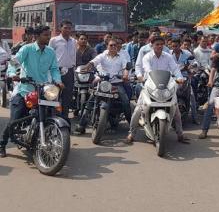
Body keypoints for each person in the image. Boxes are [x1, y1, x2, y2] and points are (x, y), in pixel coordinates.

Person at [0, 26, 63, 157]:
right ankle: (2, 144)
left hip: (44, 90)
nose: (48, 37)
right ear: (37, 36)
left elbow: (55, 69)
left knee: (54, 112)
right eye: (46, 35)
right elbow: (14, 63)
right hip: (25, 89)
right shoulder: (26, 49)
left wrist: (58, 80)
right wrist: (12, 74)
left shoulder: (50, 52)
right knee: (15, 119)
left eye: (49, 35)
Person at [127, 36, 187, 143]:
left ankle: (180, 134)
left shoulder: (168, 56)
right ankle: (132, 133)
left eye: (161, 44)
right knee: (138, 110)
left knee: (176, 110)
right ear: (152, 45)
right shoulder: (147, 57)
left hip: (166, 87)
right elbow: (148, 70)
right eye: (157, 44)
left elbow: (175, 69)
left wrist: (180, 78)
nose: (159, 46)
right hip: (150, 86)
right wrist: (141, 77)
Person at [75, 38, 131, 134]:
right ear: (107, 46)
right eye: (111, 45)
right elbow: (94, 62)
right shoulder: (103, 55)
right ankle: (81, 124)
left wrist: (125, 75)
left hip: (116, 83)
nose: (113, 47)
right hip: (103, 82)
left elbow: (126, 66)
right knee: (90, 102)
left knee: (125, 102)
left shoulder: (122, 57)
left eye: (115, 45)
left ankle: (131, 125)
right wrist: (86, 67)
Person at [49, 20, 77, 120]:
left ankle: (65, 119)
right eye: (65, 28)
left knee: (67, 97)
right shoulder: (54, 40)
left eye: (69, 28)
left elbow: (74, 56)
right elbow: (49, 55)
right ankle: (53, 118)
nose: (67, 30)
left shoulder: (74, 41)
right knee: (53, 95)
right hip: (57, 71)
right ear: (60, 28)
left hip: (69, 71)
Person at [171, 38, 199, 124]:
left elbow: (195, 63)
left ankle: (195, 118)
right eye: (173, 46)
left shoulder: (187, 53)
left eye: (176, 46)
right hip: (171, 79)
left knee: (191, 97)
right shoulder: (167, 54)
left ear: (180, 45)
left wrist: (192, 71)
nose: (175, 48)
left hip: (185, 78)